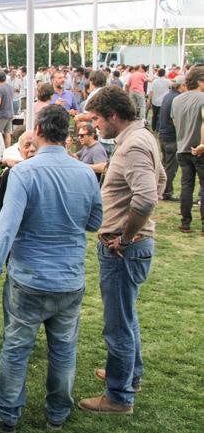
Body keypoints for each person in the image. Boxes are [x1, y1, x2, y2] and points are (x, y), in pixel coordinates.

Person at [0, 105, 103, 431]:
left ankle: (8, 412)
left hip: (29, 280)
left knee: (17, 348)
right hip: (68, 279)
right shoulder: (85, 173)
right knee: (63, 350)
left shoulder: (24, 173)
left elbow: (5, 228)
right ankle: (57, 414)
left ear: (37, 131)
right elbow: (95, 221)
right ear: (67, 134)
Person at [78, 86, 165, 415]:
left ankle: (118, 396)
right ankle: (129, 375)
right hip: (127, 245)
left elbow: (147, 197)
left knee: (117, 324)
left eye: (97, 119)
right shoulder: (140, 137)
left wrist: (126, 236)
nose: (95, 125)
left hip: (122, 249)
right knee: (125, 317)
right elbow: (160, 179)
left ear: (113, 115)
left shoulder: (134, 144)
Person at [170, 65, 204, 233]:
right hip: (200, 149)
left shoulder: (177, 100)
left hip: (182, 148)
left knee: (186, 187)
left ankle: (185, 223)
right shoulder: (202, 98)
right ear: (200, 81)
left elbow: (174, 121)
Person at [158, 75, 186, 201]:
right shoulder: (177, 99)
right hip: (171, 137)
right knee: (171, 167)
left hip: (163, 135)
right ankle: (166, 192)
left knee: (165, 166)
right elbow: (177, 119)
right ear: (182, 85)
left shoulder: (168, 96)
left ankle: (163, 190)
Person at [0, 71, 15, 147]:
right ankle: (8, 149)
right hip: (10, 113)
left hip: (2, 115)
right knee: (7, 133)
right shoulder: (10, 87)